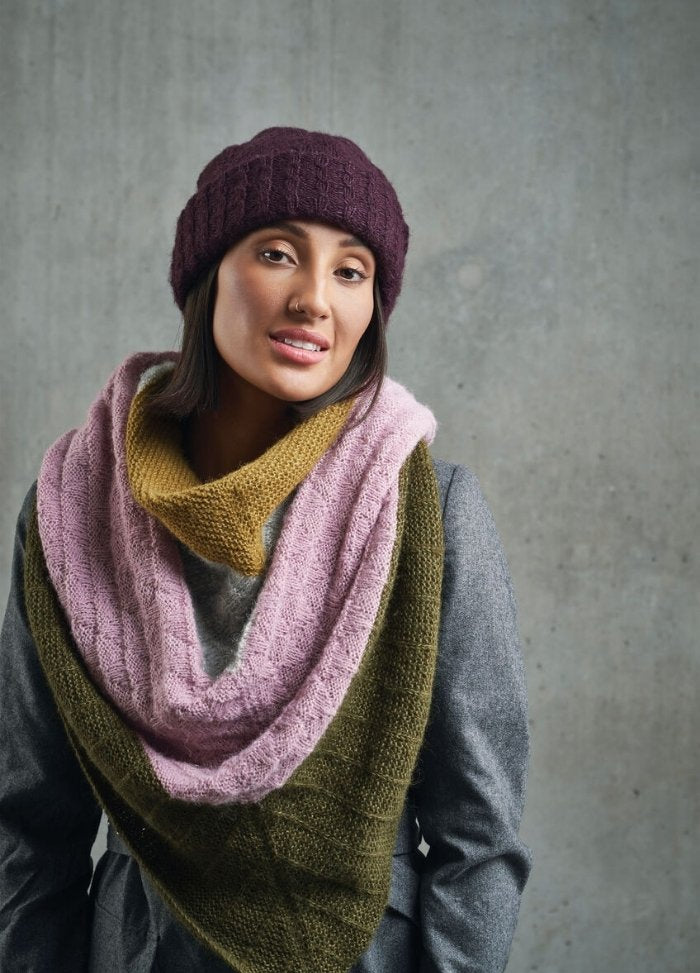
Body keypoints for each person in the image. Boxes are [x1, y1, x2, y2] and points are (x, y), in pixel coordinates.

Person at [0, 126, 531, 972]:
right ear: (208, 275)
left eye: (351, 271)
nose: (315, 298)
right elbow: (28, 824)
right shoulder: (71, 510)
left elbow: (480, 836)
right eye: (278, 254)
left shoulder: (429, 511)